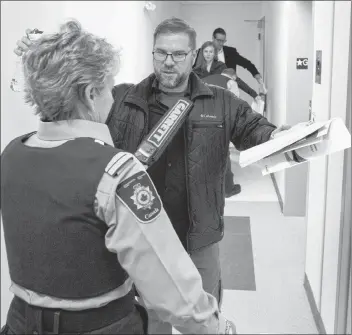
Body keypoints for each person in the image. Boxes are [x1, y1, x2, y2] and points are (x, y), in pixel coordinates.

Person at [15, 17, 289, 335]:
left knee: (204, 317)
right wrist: (40, 58)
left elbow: (257, 131)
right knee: (150, 322)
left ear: (194, 54)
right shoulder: (122, 99)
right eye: (161, 53)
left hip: (199, 238)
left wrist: (280, 137)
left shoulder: (223, 102)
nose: (168, 62)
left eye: (178, 54)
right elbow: (74, 96)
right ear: (153, 53)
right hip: (140, 241)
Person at [194, 27, 267, 94]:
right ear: (213, 38)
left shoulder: (231, 52)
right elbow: (196, 70)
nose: (221, 43)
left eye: (223, 41)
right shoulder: (202, 52)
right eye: (219, 40)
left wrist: (256, 73)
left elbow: (245, 63)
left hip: (228, 91)